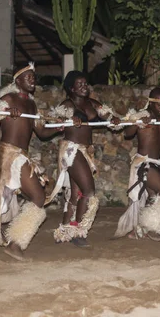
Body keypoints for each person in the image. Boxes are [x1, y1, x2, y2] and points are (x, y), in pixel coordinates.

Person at [0, 62, 63, 261]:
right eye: (28, 76)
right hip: (8, 154)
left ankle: (16, 242)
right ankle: (15, 244)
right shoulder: (8, 99)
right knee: (37, 196)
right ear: (17, 80)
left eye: (34, 76)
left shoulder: (32, 104)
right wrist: (3, 112)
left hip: (22, 156)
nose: (33, 79)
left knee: (38, 197)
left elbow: (41, 131)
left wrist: (58, 128)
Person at [46, 71, 120, 247]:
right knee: (89, 191)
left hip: (86, 151)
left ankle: (64, 231)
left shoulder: (92, 103)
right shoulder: (67, 105)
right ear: (71, 88)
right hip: (71, 150)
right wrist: (68, 119)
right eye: (79, 84)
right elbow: (56, 120)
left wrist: (113, 119)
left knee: (75, 194)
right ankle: (78, 230)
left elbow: (106, 114)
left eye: (85, 84)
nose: (84, 87)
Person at [113, 88, 160, 241]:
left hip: (156, 163)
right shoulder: (142, 115)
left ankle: (138, 230)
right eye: (158, 104)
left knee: (152, 197)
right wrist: (138, 123)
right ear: (150, 103)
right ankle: (151, 228)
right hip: (143, 163)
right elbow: (127, 133)